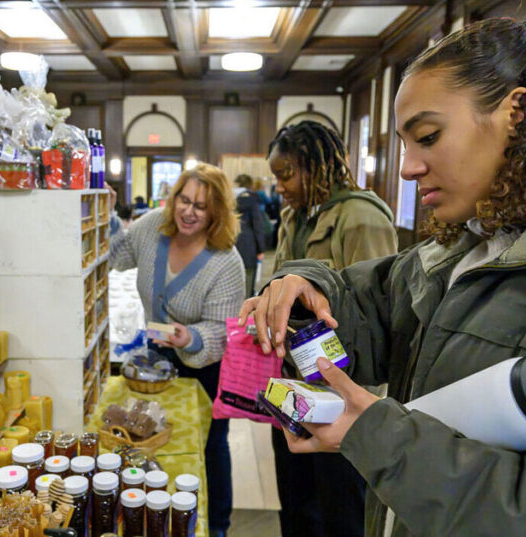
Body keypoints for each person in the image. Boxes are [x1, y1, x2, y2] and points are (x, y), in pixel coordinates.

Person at [240, 18, 526, 537]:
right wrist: (304, 286)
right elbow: (364, 302)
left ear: (516, 115)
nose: (407, 168)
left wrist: (383, 438)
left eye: (428, 136)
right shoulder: (463, 247)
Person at [266, 120, 398, 537]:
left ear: (315, 167)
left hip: (342, 393)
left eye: (286, 174)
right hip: (294, 386)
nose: (280, 186)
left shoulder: (360, 217)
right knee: (296, 500)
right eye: (276, 177)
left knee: (341, 509)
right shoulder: (293, 216)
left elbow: (377, 311)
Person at [109, 163, 244, 537]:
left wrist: (190, 338)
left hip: (206, 367)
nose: (188, 211)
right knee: (158, 438)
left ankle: (216, 525)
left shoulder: (225, 262)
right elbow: (116, 254)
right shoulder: (153, 226)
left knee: (210, 445)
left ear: (216, 211)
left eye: (201, 206)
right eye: (183, 200)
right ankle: (157, 511)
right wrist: (103, 211)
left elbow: (223, 330)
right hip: (157, 359)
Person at [234, 174, 269, 298]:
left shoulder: (227, 199)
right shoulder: (253, 199)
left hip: (230, 242)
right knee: (248, 279)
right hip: (248, 244)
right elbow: (257, 224)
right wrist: (261, 248)